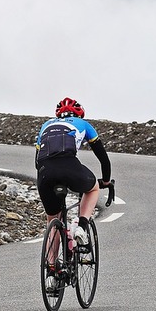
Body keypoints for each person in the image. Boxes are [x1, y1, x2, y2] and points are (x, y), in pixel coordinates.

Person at [35, 97, 112, 246]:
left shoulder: (46, 125)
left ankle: (51, 266)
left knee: (53, 219)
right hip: (69, 165)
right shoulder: (84, 124)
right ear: (79, 114)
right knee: (93, 188)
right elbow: (103, 159)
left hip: (45, 171)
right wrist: (106, 180)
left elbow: (37, 161)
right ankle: (82, 228)